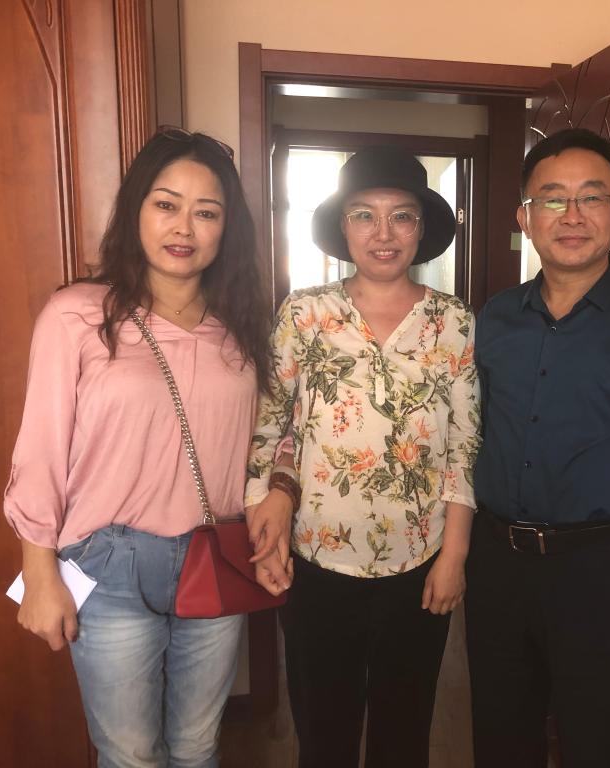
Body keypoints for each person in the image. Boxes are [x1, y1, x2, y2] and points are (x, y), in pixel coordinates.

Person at [4, 127, 272, 766]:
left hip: (214, 554)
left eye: (206, 212)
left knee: (198, 747)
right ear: (136, 211)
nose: (184, 227)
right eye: (166, 204)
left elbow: (271, 438)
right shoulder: (77, 314)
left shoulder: (241, 331)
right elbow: (40, 451)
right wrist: (38, 573)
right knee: (129, 755)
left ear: (226, 230)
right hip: (108, 563)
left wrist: (275, 506)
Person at [244, 145, 481, 768]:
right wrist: (265, 524)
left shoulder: (453, 321)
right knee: (324, 737)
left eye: (401, 216)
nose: (383, 233)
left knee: (404, 736)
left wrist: (454, 556)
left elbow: (463, 445)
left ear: (421, 229)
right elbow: (268, 427)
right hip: (317, 562)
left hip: (420, 562)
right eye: (364, 215)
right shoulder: (304, 314)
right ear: (343, 226)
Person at [466, 128, 610, 767]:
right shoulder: (495, 319)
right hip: (498, 562)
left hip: (603, 570)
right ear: (525, 218)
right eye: (553, 199)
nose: (573, 215)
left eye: (592, 197)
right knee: (500, 734)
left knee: (597, 738)